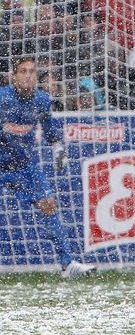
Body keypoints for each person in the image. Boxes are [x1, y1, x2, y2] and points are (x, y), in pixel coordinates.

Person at [0, 56, 96, 278]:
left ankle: (67, 265)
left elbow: (51, 130)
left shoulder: (42, 100)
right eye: (23, 71)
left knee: (48, 205)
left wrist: (58, 150)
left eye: (32, 71)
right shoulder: (2, 98)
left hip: (24, 166)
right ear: (13, 77)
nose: (28, 75)